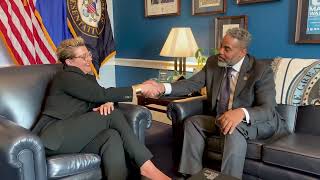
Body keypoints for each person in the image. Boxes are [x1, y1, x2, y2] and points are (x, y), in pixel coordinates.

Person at [142, 28, 288, 179]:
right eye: (221, 46)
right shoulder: (214, 62)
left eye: (227, 49)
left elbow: (268, 109)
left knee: (233, 127)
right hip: (223, 117)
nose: (220, 51)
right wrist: (162, 87)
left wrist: (241, 112)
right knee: (193, 122)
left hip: (258, 122)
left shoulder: (261, 71)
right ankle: (192, 175)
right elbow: (191, 83)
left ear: (242, 52)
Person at [32, 37, 170, 180]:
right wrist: (140, 87)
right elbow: (100, 94)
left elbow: (101, 97)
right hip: (53, 137)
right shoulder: (65, 77)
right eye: (83, 57)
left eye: (89, 55)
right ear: (69, 62)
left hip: (74, 136)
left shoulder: (88, 79)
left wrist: (108, 101)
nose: (88, 60)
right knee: (112, 115)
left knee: (111, 136)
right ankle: (147, 168)